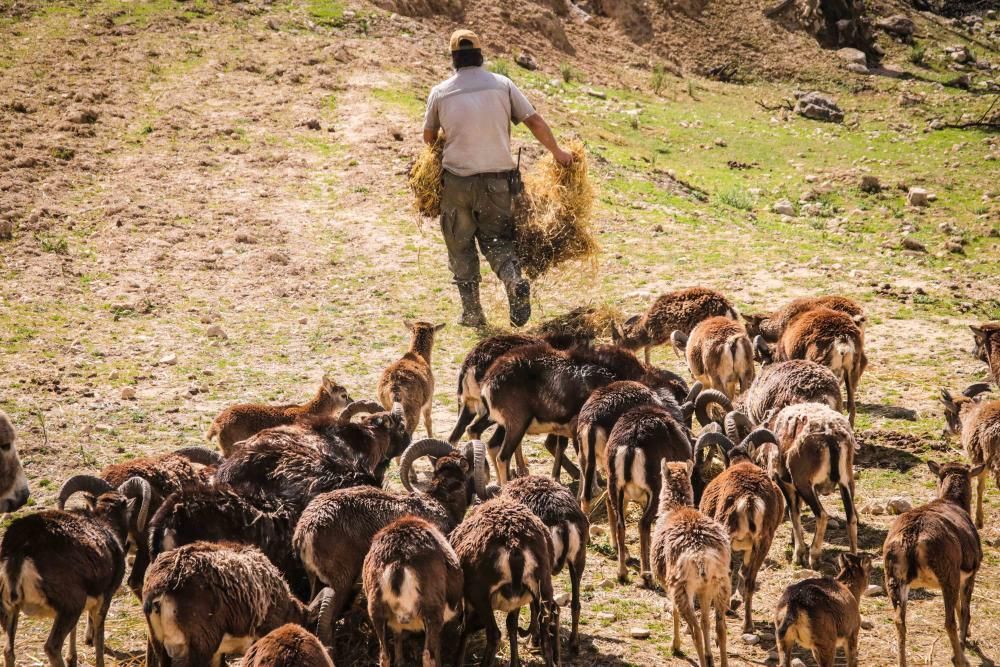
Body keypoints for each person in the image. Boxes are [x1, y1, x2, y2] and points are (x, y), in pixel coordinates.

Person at [423, 29, 574, 327]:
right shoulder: (502, 85)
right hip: (497, 183)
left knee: (460, 244)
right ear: (481, 55)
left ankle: (472, 312)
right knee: (498, 241)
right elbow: (534, 120)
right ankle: (514, 279)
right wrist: (558, 152)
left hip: (457, 183)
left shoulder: (440, 92)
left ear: (454, 59)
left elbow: (428, 137)